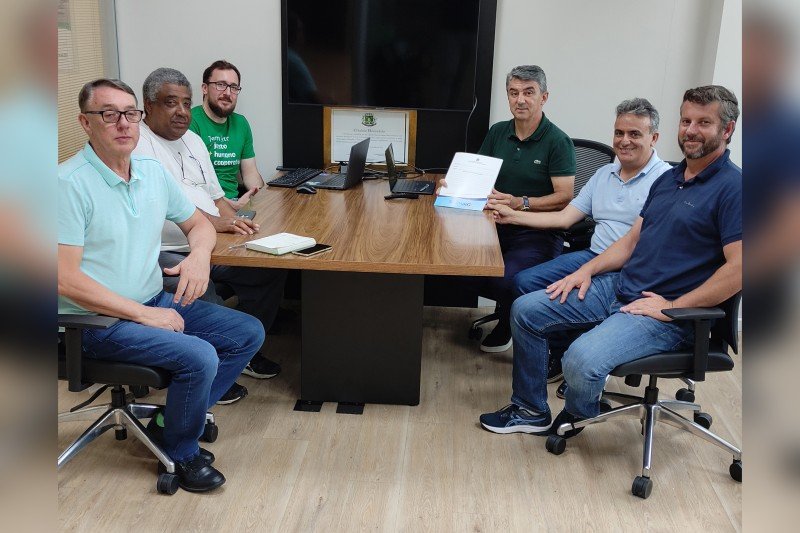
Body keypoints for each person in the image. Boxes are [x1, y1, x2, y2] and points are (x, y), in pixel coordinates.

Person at [479, 85, 742, 436]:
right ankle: (529, 409)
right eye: (686, 121)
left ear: (727, 129)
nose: (691, 130)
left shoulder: (734, 188)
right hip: (621, 286)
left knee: (579, 359)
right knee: (526, 309)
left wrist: (671, 307)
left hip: (667, 313)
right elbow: (631, 241)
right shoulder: (670, 179)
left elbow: (740, 268)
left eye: (703, 123)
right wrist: (585, 270)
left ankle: (579, 413)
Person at [58, 78, 265, 492]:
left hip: (150, 299)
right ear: (85, 122)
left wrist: (199, 258)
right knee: (200, 356)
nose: (123, 123)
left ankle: (170, 421)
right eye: (108, 114)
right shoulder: (67, 184)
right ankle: (181, 453)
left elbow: (199, 224)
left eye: (130, 113)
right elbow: (63, 278)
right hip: (95, 322)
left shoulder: (151, 172)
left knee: (247, 332)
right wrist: (144, 314)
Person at [490, 98, 672, 385]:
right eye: (619, 133)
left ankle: (577, 356)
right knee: (524, 281)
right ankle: (561, 352)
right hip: (593, 253)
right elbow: (565, 217)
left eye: (634, 134)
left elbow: (640, 244)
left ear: (654, 138)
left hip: (631, 267)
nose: (624, 141)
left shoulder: (666, 181)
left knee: (566, 294)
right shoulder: (604, 173)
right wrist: (512, 215)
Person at [133, 67, 287, 405]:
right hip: (165, 251)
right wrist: (214, 225)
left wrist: (237, 224)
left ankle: (244, 354)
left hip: (206, 239)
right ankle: (214, 367)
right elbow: (162, 210)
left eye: (185, 103)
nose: (182, 112)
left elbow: (217, 199)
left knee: (268, 267)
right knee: (198, 284)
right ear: (148, 106)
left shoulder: (193, 140)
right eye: (170, 103)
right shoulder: (138, 145)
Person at [441, 65, 576, 353]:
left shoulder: (558, 141)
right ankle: (508, 309)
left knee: (507, 280)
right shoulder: (498, 132)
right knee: (453, 265)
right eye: (513, 93)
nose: (520, 100)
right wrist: (453, 185)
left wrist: (520, 202)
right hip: (494, 222)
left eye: (528, 92)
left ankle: (509, 322)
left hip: (536, 231)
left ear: (544, 97)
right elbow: (478, 176)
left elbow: (564, 197)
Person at [189, 60, 264, 205]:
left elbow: (250, 174)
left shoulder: (241, 123)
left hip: (236, 202)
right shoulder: (190, 122)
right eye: (221, 85)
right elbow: (192, 184)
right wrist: (231, 207)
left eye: (234, 87)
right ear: (205, 88)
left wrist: (262, 199)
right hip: (204, 206)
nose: (228, 93)